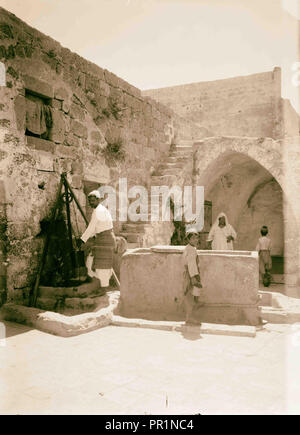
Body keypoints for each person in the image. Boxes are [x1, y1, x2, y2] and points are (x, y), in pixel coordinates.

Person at [78, 190, 116, 289]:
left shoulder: (98, 211)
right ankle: (92, 279)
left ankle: (104, 288)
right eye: (89, 201)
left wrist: (82, 240)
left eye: (93, 201)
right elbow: (97, 228)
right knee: (91, 260)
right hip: (103, 238)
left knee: (102, 266)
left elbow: (91, 228)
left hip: (105, 239)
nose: (91, 203)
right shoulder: (102, 209)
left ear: (98, 200)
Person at [182, 229, 204, 323]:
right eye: (193, 238)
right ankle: (189, 318)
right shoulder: (190, 250)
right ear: (189, 239)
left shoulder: (191, 248)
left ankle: (190, 317)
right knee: (191, 296)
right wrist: (194, 278)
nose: (195, 240)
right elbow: (191, 265)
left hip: (192, 274)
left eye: (196, 238)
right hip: (192, 275)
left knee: (193, 295)